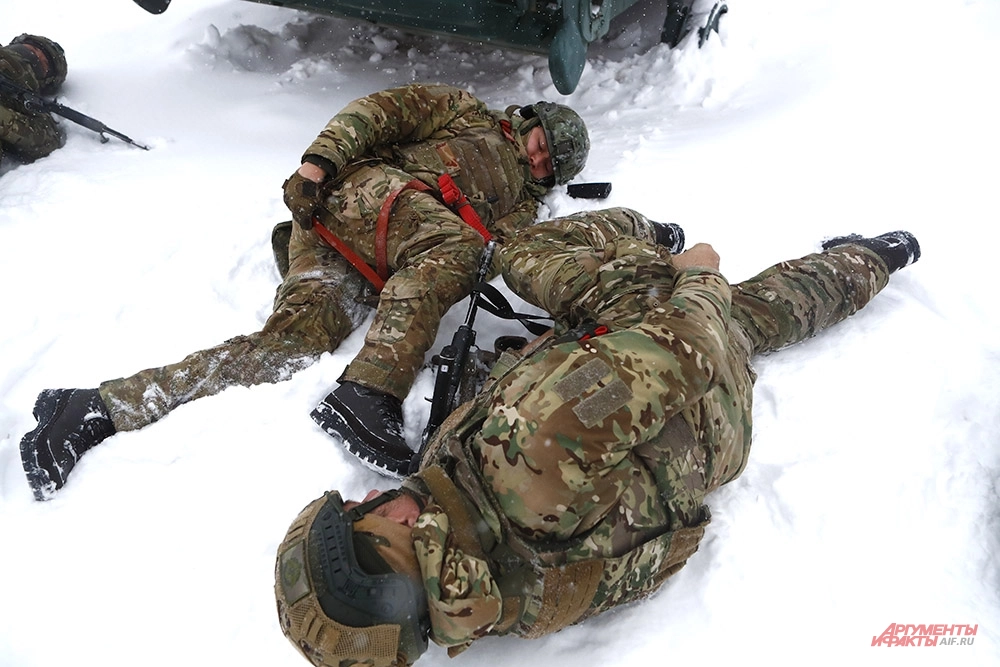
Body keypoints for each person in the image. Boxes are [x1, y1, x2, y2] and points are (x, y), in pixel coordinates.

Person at [272, 207, 921, 667]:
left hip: (689, 445)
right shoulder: (533, 446)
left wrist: (542, 369)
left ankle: (874, 257)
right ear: (401, 535)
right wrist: (699, 272)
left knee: (747, 320)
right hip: (694, 380)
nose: (367, 497)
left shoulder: (485, 600)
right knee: (532, 255)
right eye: (363, 516)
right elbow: (689, 347)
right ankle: (657, 237)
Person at [18, 83, 590, 500]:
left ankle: (96, 407)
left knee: (288, 349)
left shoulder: (524, 207)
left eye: (549, 165)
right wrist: (317, 166)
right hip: (355, 195)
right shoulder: (466, 112)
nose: (537, 158)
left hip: (360, 260)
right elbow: (378, 113)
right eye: (542, 142)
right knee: (463, 247)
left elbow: (496, 256)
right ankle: (368, 393)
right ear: (530, 120)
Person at [0, 34, 67, 165]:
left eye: (42, 65)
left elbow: (47, 138)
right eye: (30, 51)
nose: (36, 57)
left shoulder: (25, 99)